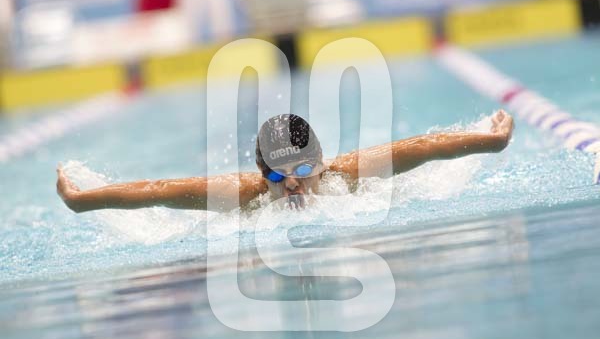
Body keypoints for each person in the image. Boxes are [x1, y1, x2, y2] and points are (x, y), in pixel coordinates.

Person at [57, 110, 514, 213]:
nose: (292, 185)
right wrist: (82, 200)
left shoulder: (349, 174)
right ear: (262, 174)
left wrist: (490, 141)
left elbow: (425, 146)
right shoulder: (243, 195)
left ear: (321, 163)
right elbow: (156, 191)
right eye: (277, 175)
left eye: (303, 171)